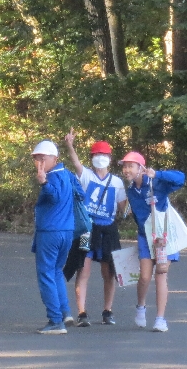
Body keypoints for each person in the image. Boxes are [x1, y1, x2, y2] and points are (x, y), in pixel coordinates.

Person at [64, 129, 127, 327]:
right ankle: (82, 312)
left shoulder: (117, 182)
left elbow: (123, 209)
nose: (101, 158)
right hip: (86, 229)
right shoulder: (86, 176)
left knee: (110, 272)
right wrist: (70, 145)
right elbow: (75, 163)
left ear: (110, 158)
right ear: (92, 158)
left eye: (104, 155)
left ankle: (107, 311)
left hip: (108, 230)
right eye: (97, 155)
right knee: (83, 269)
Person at [119, 151, 185, 332]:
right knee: (145, 276)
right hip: (145, 236)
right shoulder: (131, 191)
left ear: (141, 168)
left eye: (130, 166)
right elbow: (138, 216)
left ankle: (160, 319)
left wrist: (158, 174)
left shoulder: (156, 182)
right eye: (125, 166)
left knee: (161, 275)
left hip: (163, 236)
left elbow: (181, 178)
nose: (126, 170)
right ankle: (141, 307)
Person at [31, 140, 82, 335]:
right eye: (36, 158)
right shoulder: (67, 175)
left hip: (50, 232)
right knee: (56, 271)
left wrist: (44, 182)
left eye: (43, 158)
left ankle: (55, 320)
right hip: (67, 231)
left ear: (55, 159)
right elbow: (81, 194)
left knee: (46, 273)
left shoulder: (51, 177)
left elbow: (54, 197)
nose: (39, 162)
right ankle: (65, 312)